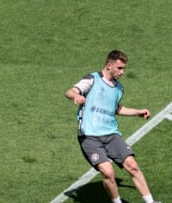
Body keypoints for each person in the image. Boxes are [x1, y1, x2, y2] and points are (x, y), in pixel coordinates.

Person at [65, 50, 161, 203]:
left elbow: (115, 108)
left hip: (111, 134)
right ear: (109, 66)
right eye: (119, 68)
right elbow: (70, 91)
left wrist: (137, 112)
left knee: (133, 166)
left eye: (124, 68)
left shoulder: (119, 88)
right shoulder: (92, 79)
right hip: (89, 136)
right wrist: (76, 96)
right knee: (108, 172)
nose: (122, 72)